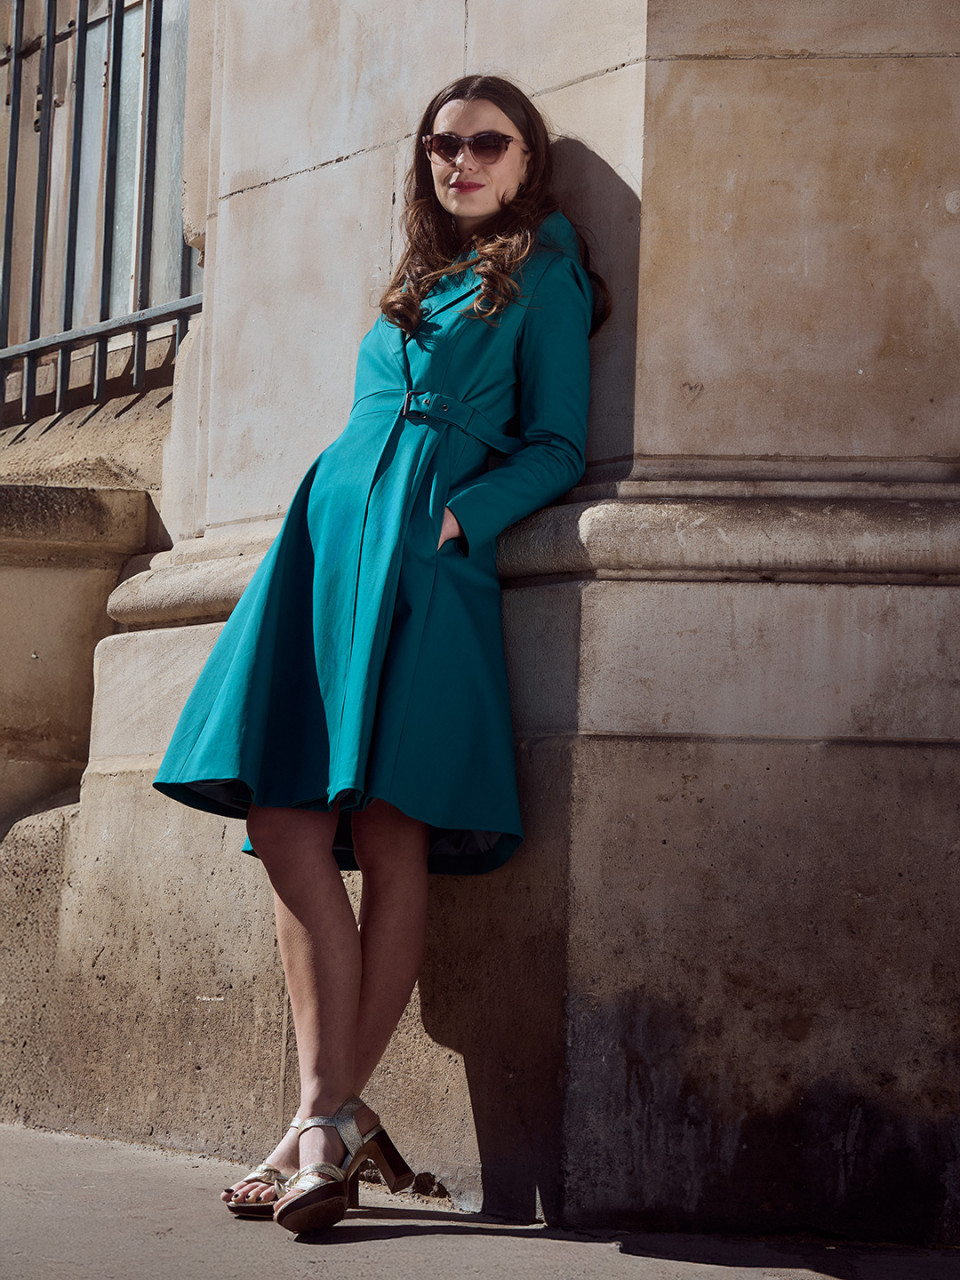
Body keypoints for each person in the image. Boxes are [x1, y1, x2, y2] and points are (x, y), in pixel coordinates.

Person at [153, 73, 608, 1233]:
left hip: (423, 567)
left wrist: (458, 520)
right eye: (443, 145)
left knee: (395, 831)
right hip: (328, 553)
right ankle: (330, 1116)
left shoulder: (549, 274)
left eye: (487, 143)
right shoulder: (421, 276)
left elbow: (559, 445)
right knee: (287, 820)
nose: (461, 161)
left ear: (528, 157)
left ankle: (313, 1130)